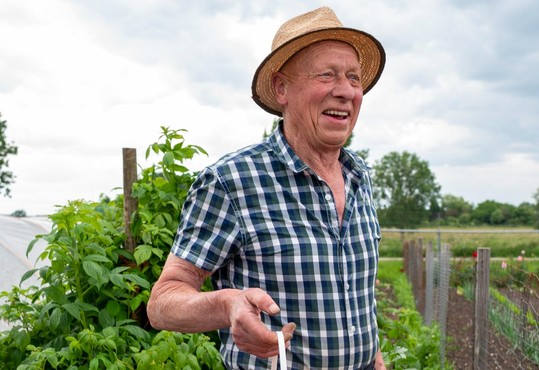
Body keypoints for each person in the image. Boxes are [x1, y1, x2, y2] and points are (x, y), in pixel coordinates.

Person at [147, 6, 386, 369]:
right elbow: (163, 303)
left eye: (354, 78)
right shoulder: (232, 181)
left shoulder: (359, 176)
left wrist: (376, 360)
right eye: (327, 74)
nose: (345, 91)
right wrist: (227, 304)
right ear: (281, 88)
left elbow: (356, 300)